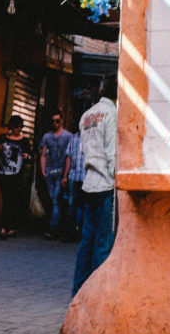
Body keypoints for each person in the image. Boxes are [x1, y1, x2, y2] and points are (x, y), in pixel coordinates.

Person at [72, 75, 118, 297]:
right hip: (106, 187)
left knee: (86, 244)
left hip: (88, 184)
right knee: (102, 245)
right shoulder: (113, 114)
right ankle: (97, 298)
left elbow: (83, 152)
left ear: (101, 92)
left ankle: (78, 295)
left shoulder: (86, 116)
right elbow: (113, 154)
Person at [0, 114, 33, 239]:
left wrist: (27, 156)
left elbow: (30, 156)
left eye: (21, 126)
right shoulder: (3, 138)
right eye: (16, 126)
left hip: (17, 173)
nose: (19, 128)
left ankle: (8, 228)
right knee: (7, 199)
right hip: (2, 172)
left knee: (12, 199)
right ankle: (6, 228)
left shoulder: (24, 140)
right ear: (11, 126)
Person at [39, 109, 73, 240]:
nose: (55, 123)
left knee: (55, 201)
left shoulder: (68, 136)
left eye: (57, 121)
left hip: (61, 172)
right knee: (54, 200)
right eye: (53, 121)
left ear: (62, 121)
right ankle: (57, 227)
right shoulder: (47, 137)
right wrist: (43, 170)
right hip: (50, 172)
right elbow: (43, 154)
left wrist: (66, 173)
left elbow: (70, 155)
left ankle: (54, 229)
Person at [62, 127, 86, 242]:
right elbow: (69, 158)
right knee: (71, 205)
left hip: (86, 177)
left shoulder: (92, 137)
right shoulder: (74, 138)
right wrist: (65, 176)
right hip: (73, 176)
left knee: (86, 206)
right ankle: (70, 233)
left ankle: (82, 234)